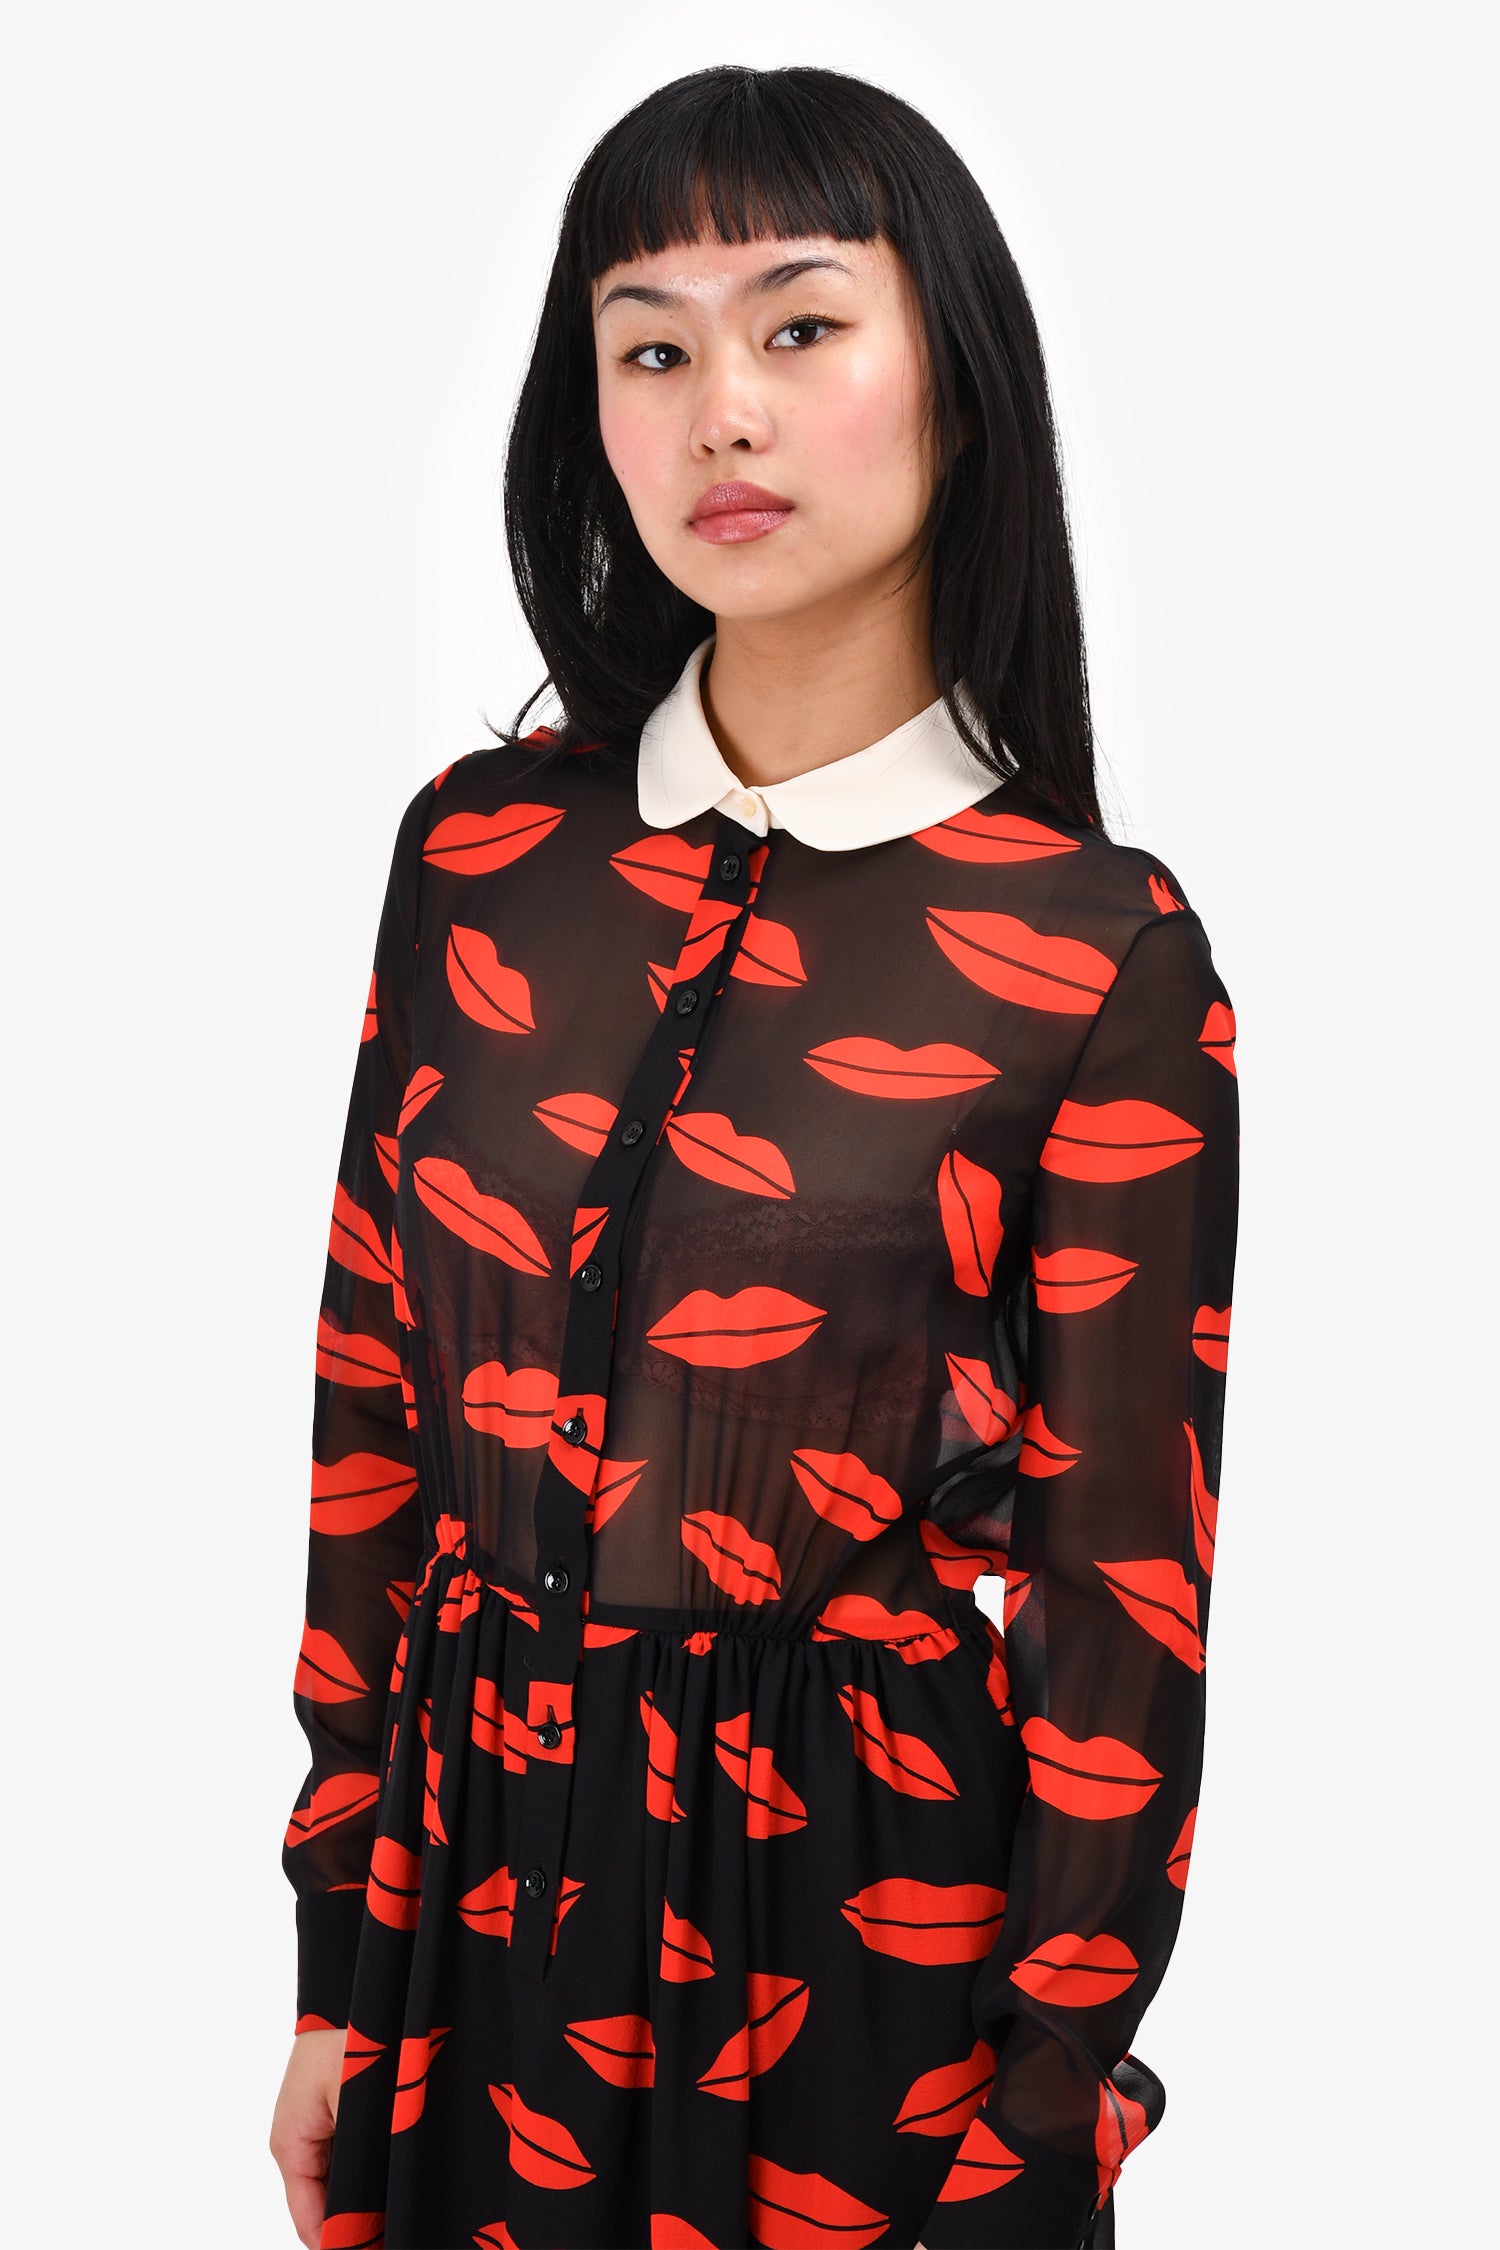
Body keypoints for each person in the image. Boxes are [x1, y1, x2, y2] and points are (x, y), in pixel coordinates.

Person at [268, 62, 1240, 2250]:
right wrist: (336, 1955)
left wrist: (1049, 2101)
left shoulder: (1097, 952)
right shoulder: (479, 858)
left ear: (953, 375)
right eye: (652, 347)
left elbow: (1125, 1596)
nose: (724, 409)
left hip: (864, 1944)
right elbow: (369, 1411)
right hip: (467, 1907)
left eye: (802, 325)